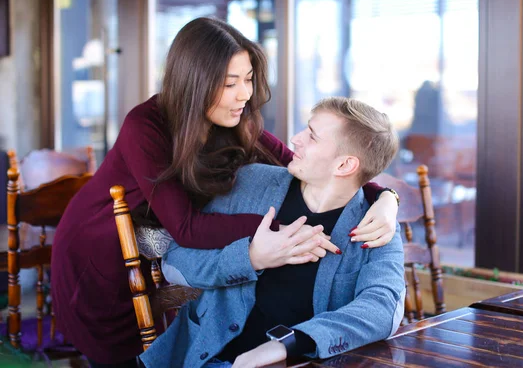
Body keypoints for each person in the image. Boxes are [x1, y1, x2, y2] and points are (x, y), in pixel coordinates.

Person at [50, 18, 400, 367]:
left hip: (162, 244)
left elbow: (312, 164)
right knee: (120, 354)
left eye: (248, 79)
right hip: (103, 246)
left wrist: (384, 197)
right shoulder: (145, 125)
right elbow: (186, 228)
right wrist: (278, 232)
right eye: (230, 83)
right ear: (194, 83)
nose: (245, 94)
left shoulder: (235, 119)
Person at [142, 97, 406, 368]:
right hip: (210, 359)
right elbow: (174, 263)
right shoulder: (249, 182)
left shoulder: (376, 225)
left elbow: (383, 308)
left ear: (344, 166)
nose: (295, 139)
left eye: (312, 137)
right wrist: (252, 258)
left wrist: (287, 343)